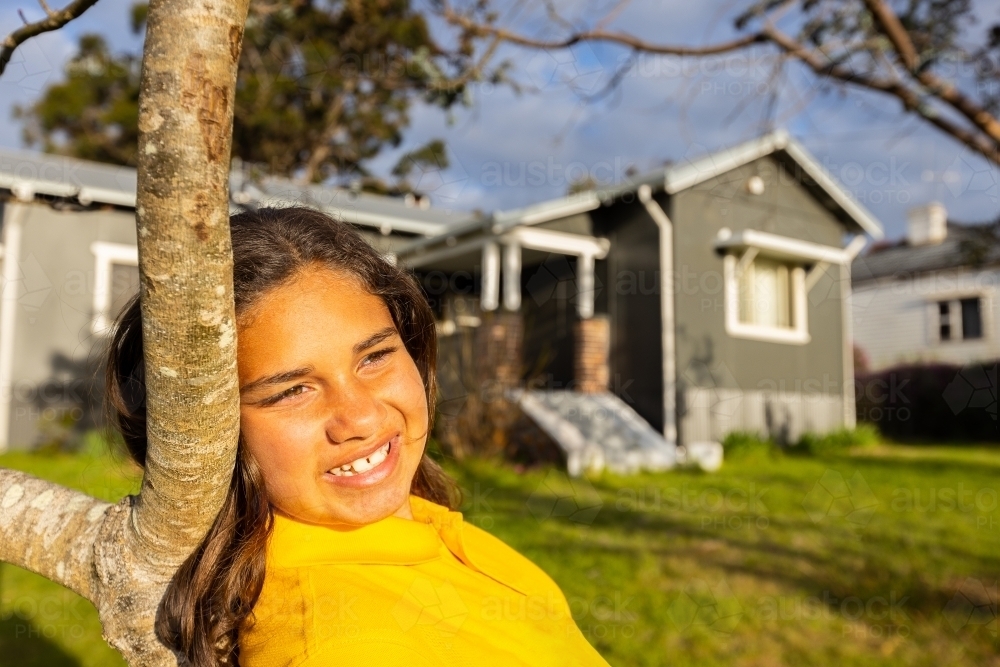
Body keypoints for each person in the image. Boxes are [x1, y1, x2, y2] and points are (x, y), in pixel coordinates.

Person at [105, 207, 611, 666]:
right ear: (211, 434)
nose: (361, 418)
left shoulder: (425, 530)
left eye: (374, 357)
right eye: (292, 391)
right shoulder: (339, 645)